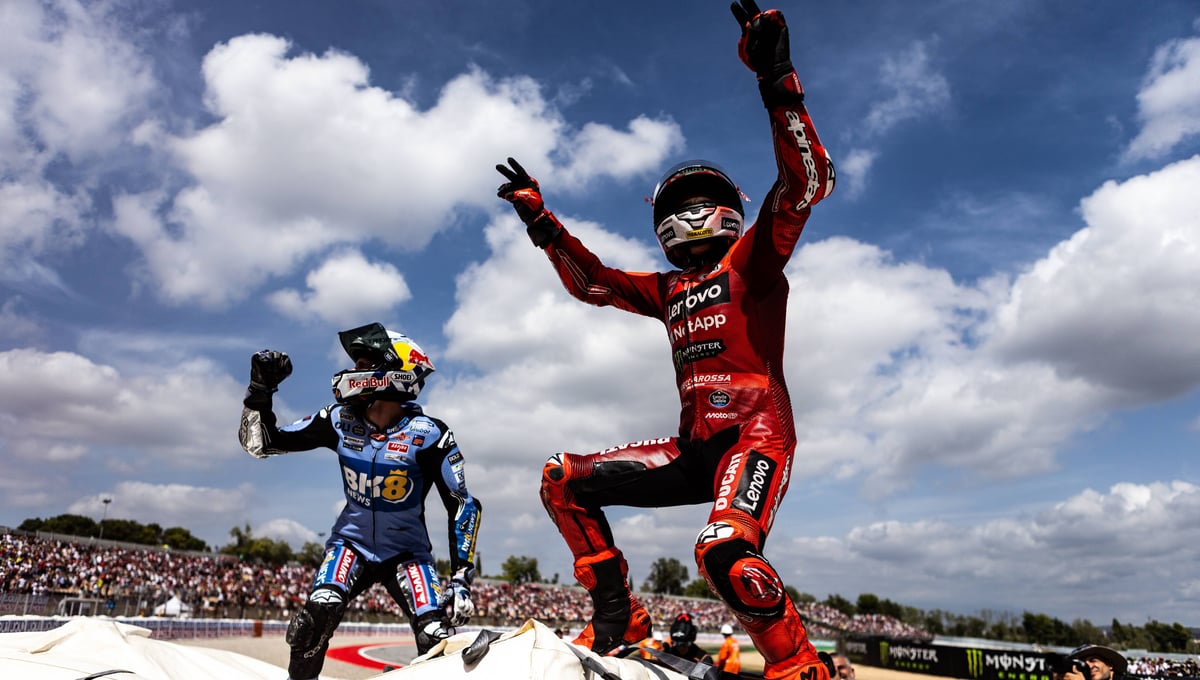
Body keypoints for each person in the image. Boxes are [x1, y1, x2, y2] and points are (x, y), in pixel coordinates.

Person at [494, 1, 834, 678]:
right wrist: (543, 223)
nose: (690, 213)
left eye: (700, 201)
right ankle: (620, 617)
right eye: (677, 207)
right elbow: (593, 284)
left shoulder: (753, 261)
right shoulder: (667, 289)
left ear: (729, 209)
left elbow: (806, 184)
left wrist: (778, 82)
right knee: (562, 479)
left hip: (755, 437)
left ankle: (799, 666)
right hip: (693, 448)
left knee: (723, 551)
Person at [238, 322, 483, 680]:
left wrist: (461, 579)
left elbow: (463, 504)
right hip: (349, 544)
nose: (353, 371)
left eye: (364, 363)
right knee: (313, 622)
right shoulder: (337, 419)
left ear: (397, 372)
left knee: (436, 639)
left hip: (408, 554)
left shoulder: (432, 435)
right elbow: (260, 444)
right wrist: (260, 391)